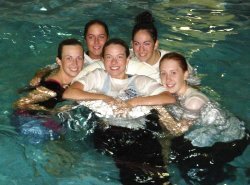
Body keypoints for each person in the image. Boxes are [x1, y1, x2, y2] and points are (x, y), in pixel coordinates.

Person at [63, 38, 175, 184]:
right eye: (109, 57)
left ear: (128, 59)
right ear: (103, 60)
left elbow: (168, 98)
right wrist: (104, 97)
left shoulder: (140, 81)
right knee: (133, 173)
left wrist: (133, 102)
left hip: (141, 132)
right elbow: (69, 93)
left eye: (119, 57)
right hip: (110, 132)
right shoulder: (98, 76)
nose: (114, 62)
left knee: (158, 172)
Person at [158, 52, 249, 184]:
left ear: (185, 74)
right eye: (163, 73)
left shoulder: (193, 101)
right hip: (212, 132)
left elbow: (177, 131)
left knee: (192, 171)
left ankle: (232, 174)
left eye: (173, 73)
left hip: (233, 140)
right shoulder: (176, 93)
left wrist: (159, 108)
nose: (167, 79)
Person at [13, 38, 84, 143]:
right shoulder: (51, 89)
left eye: (79, 58)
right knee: (63, 139)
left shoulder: (56, 68)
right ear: (59, 61)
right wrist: (54, 111)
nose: (75, 63)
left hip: (39, 113)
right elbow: (19, 104)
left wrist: (39, 75)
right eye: (69, 58)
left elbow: (47, 67)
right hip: (28, 119)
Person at [29, 19, 109, 87]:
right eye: (91, 37)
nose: (96, 42)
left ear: (107, 39)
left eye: (101, 37)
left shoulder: (116, 61)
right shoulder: (77, 56)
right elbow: (50, 68)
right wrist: (38, 76)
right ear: (85, 40)